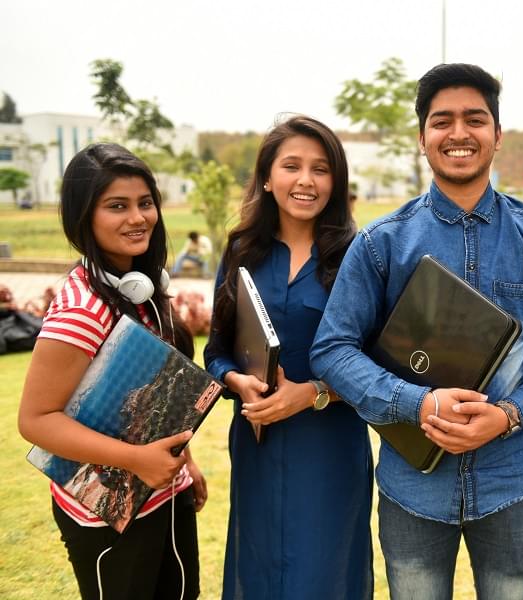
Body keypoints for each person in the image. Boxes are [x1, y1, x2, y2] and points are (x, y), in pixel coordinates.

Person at [310, 63, 523, 599]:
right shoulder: (381, 243)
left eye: (475, 119)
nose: (459, 133)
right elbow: (333, 349)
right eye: (442, 121)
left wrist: (509, 414)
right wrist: (418, 403)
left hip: (511, 483)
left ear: (497, 135)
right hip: (412, 487)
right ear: (422, 138)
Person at [18, 142, 205, 600]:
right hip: (106, 515)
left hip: (163, 493)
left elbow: (156, 394)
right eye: (116, 206)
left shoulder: (140, 286)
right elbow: (36, 421)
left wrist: (186, 464)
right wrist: (138, 460)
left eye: (145, 203)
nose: (137, 218)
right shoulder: (82, 310)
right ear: (85, 216)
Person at [203, 115, 373, 599]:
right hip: (257, 441)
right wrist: (236, 381)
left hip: (329, 445)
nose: (306, 180)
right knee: (258, 568)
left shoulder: (358, 255)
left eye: (321, 169)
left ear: (336, 181)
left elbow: (379, 367)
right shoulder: (241, 250)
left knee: (323, 572)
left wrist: (313, 394)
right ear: (267, 177)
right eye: (292, 166)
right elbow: (215, 351)